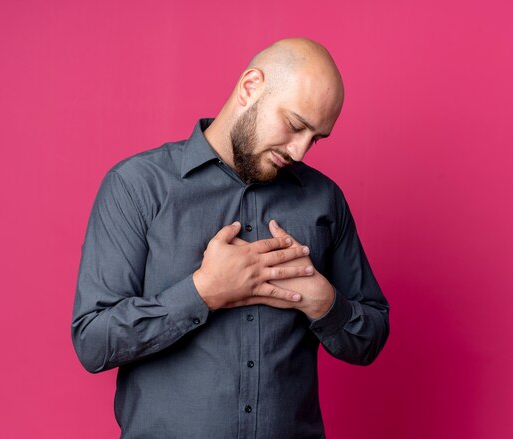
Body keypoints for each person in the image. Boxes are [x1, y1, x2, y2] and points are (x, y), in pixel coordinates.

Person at [72, 37, 389, 438]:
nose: (300, 151)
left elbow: (372, 335)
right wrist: (203, 292)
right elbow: (93, 341)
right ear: (250, 86)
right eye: (295, 125)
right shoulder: (137, 187)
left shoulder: (324, 201)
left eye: (316, 138)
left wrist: (325, 303)